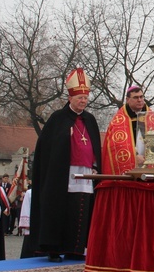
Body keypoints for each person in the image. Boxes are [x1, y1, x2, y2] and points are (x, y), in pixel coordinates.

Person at [31, 68, 102, 262]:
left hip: (86, 172)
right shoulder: (57, 119)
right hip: (63, 174)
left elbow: (95, 145)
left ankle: (76, 249)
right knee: (61, 210)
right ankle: (54, 249)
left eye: (86, 98)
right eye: (79, 97)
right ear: (70, 98)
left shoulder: (90, 119)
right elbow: (48, 149)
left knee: (82, 210)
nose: (83, 101)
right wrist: (65, 139)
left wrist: (95, 164)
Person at [101, 84, 147, 175]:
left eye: (141, 97)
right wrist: (134, 157)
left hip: (148, 163)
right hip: (131, 167)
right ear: (127, 100)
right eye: (136, 97)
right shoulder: (118, 121)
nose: (139, 100)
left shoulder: (151, 117)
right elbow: (116, 146)